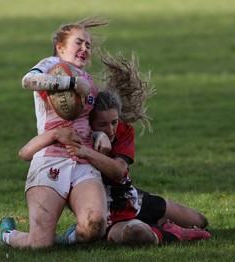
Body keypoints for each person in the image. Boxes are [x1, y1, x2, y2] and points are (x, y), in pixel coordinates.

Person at [19, 90, 211, 246]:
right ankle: (169, 233)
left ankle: (158, 225)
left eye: (114, 122)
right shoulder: (76, 137)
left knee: (200, 222)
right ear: (89, 123)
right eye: (102, 124)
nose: (110, 130)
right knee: (138, 235)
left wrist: (87, 152)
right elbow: (25, 153)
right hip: (111, 215)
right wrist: (80, 143)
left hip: (134, 198)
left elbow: (118, 171)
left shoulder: (123, 131)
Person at [0, 17, 110, 249]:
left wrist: (99, 135)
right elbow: (28, 80)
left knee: (95, 225)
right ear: (60, 46)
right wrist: (71, 83)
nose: (84, 48)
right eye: (78, 42)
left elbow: (86, 121)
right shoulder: (51, 64)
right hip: (50, 158)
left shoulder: (89, 81)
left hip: (82, 160)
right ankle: (5, 234)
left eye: (88, 45)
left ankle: (66, 238)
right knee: (39, 245)